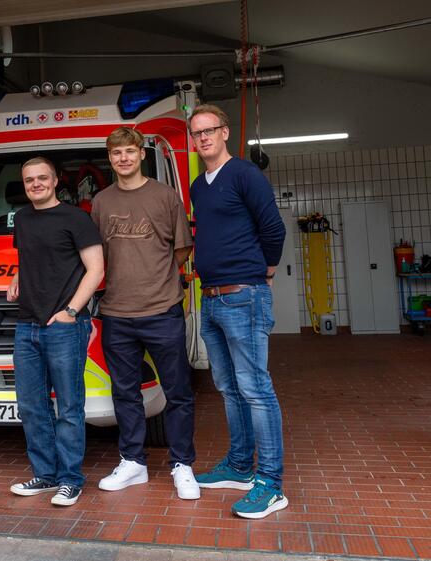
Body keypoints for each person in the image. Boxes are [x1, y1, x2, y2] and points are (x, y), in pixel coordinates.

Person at [188, 104, 288, 519]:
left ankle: (271, 484)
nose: (204, 138)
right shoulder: (198, 185)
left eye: (210, 130)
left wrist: (263, 270)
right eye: (197, 133)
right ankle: (239, 467)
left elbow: (273, 228)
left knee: (256, 389)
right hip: (210, 298)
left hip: (243, 295)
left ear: (225, 132)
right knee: (229, 389)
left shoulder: (245, 174)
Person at [90, 127, 200, 500]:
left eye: (129, 151)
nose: (123, 158)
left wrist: (157, 278)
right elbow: (94, 257)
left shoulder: (165, 197)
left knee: (178, 392)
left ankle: (182, 465)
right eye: (116, 153)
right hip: (117, 314)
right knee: (125, 393)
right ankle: (133, 462)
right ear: (110, 159)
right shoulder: (101, 202)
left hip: (162, 309)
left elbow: (182, 249)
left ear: (141, 154)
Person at [7, 157, 104, 507]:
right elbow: (29, 258)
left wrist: (71, 312)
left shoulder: (76, 218)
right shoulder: (22, 219)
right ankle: (46, 475)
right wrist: (17, 278)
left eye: (42, 178)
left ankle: (70, 479)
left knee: (68, 406)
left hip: (64, 327)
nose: (36, 184)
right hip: (26, 325)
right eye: (29, 179)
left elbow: (96, 270)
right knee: (32, 406)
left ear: (55, 180)